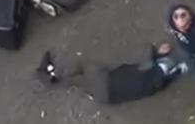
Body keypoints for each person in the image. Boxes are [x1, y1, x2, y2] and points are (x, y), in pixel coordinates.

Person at [37, 44, 184, 105]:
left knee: (82, 66)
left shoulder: (148, 69)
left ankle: (51, 71)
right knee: (77, 82)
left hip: (105, 80)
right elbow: (164, 75)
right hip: (107, 97)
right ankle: (51, 76)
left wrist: (158, 51)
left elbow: (149, 58)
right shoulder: (156, 86)